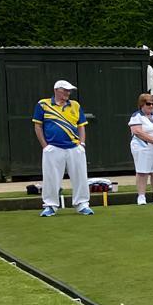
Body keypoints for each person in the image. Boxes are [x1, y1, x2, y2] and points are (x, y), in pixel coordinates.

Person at [34, 78, 92, 217]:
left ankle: (82, 204)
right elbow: (38, 126)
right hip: (53, 147)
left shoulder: (75, 105)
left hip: (74, 147)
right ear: (56, 90)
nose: (68, 93)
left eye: (69, 90)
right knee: (51, 178)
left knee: (80, 176)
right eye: (65, 90)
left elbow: (81, 125)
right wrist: (45, 146)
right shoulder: (43, 104)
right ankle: (50, 205)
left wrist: (82, 144)